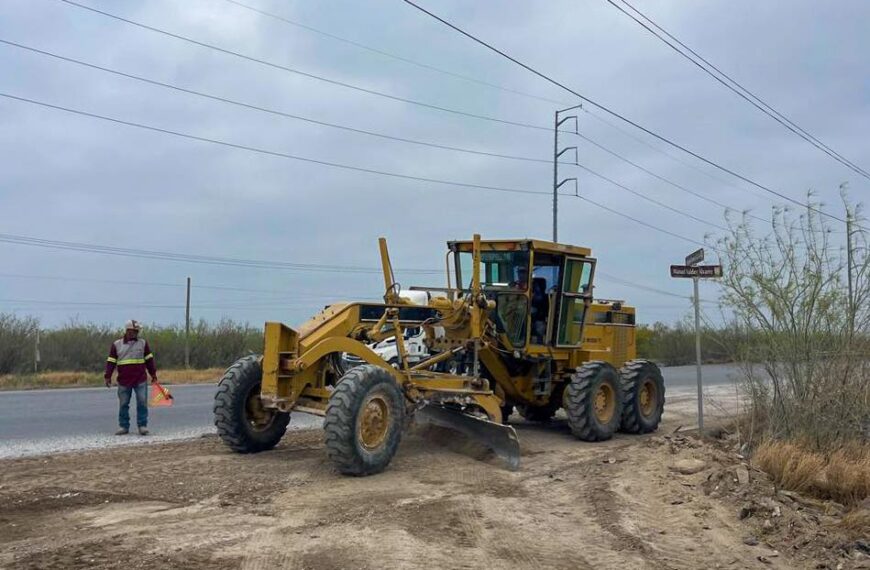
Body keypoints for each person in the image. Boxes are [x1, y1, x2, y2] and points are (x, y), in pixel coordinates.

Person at [104, 319, 158, 435]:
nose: (136, 333)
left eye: (137, 331)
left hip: (140, 379)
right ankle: (123, 426)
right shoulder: (117, 345)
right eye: (134, 331)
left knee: (142, 402)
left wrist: (153, 374)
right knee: (123, 404)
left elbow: (149, 360)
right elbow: (111, 362)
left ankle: (142, 425)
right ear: (128, 331)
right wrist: (108, 376)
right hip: (124, 381)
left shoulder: (143, 343)